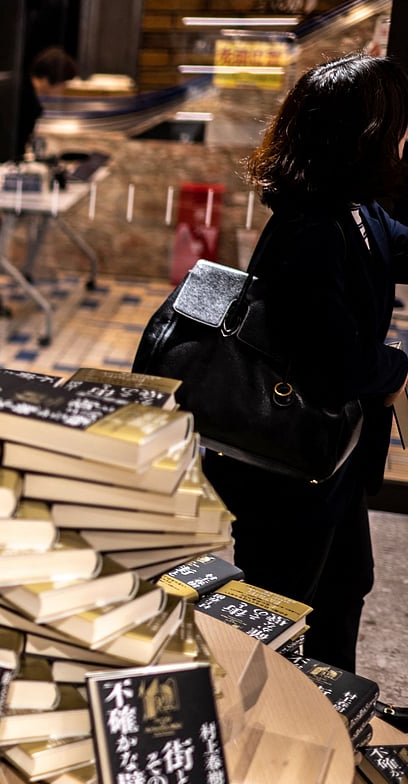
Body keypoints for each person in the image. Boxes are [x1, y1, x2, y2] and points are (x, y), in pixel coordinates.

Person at [204, 52, 408, 673]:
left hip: (331, 457)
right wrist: (396, 371)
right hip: (290, 463)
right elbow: (334, 360)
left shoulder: (353, 209)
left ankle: (332, 715)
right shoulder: (310, 229)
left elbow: (397, 247)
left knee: (345, 587)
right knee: (279, 607)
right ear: (367, 136)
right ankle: (272, 737)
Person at [0, 45, 77, 321]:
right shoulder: (21, 98)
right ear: (50, 79)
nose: (61, 91)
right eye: (62, 84)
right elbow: (5, 146)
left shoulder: (15, 88)